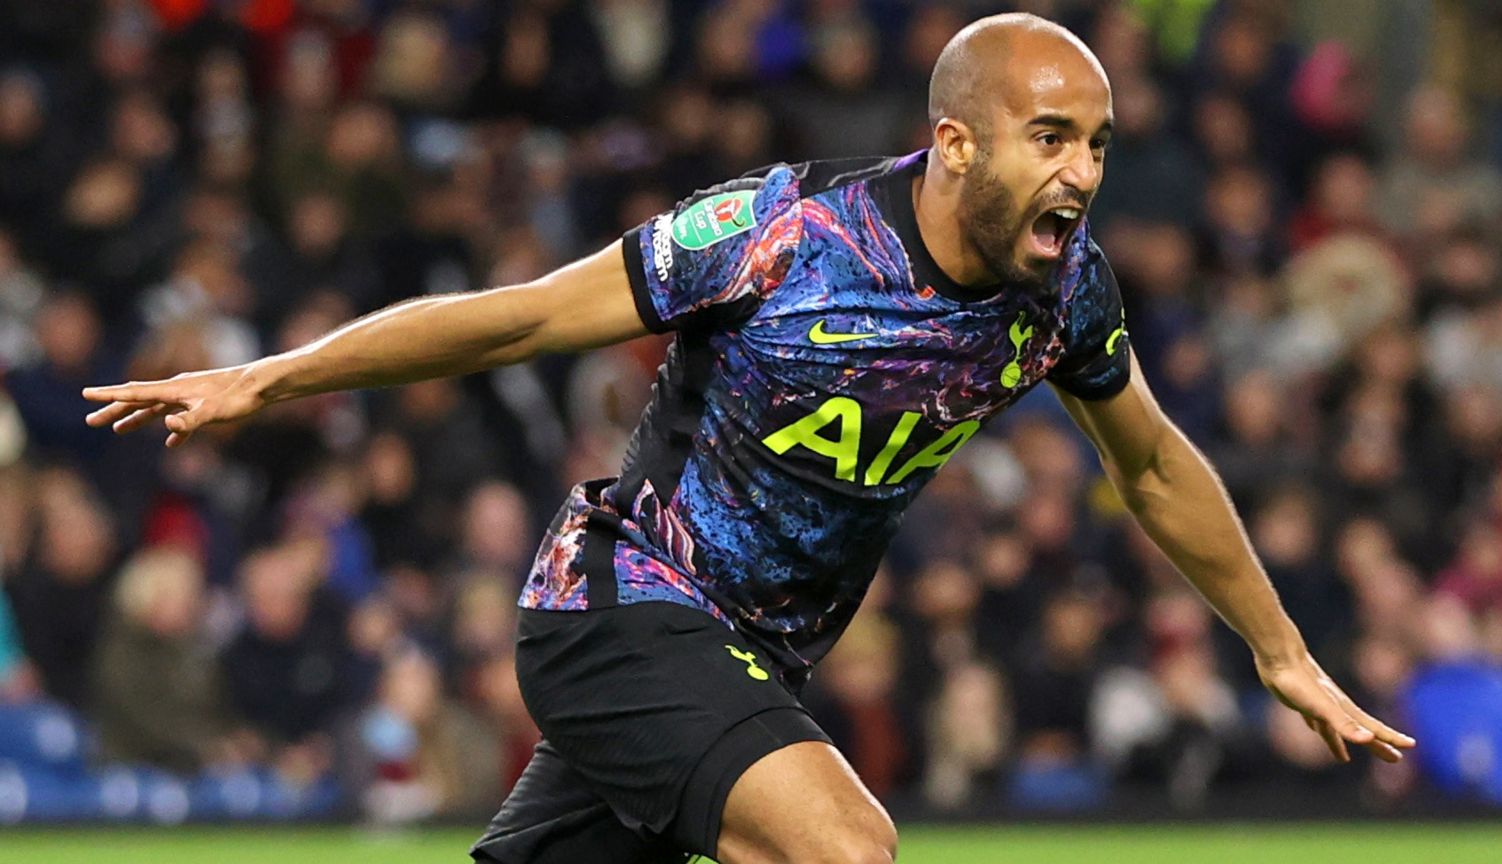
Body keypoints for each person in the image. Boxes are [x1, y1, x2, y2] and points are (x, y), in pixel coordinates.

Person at [82, 13, 1414, 864]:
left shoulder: (1065, 294)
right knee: (846, 851)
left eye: (1101, 145)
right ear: (955, 144)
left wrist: (1281, 650)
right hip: (620, 606)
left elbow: (1157, 467)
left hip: (751, 663)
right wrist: (271, 378)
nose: (1082, 172)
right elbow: (520, 321)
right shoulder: (782, 236)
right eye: (1050, 136)